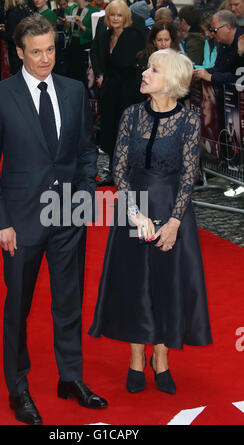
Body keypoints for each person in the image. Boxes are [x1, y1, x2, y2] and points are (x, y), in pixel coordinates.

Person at [0, 14, 107, 425]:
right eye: (36, 52)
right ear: (19, 52)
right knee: (18, 307)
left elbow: (87, 151)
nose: (45, 59)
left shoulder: (72, 91)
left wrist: (84, 197)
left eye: (50, 50)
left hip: (69, 217)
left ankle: (70, 378)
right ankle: (19, 389)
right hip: (20, 223)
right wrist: (1, 221)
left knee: (68, 304)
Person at [89, 48, 213, 395]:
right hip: (134, 207)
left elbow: (189, 176)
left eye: (153, 69)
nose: (144, 72)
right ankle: (135, 360)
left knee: (165, 284)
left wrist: (174, 222)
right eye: (147, 67)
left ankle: (161, 358)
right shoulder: (131, 115)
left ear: (171, 81)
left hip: (173, 210)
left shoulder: (189, 119)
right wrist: (133, 212)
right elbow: (119, 168)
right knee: (134, 285)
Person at [94, 0, 146, 186]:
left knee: (126, 132)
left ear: (126, 18)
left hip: (128, 93)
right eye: (112, 15)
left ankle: (128, 174)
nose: (115, 18)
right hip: (109, 93)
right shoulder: (105, 36)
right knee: (108, 132)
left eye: (119, 15)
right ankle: (113, 171)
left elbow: (127, 64)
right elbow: (99, 57)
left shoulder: (133, 36)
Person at [193, 10, 244, 85]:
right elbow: (219, 69)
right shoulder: (223, 43)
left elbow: (239, 77)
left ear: (227, 27)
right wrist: (201, 72)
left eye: (215, 30)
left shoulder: (242, 40)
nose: (213, 33)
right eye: (211, 30)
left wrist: (211, 77)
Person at [64, 0, 99, 83]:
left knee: (83, 72)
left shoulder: (94, 11)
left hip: (85, 45)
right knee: (72, 71)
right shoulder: (69, 9)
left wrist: (82, 26)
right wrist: (67, 25)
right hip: (72, 43)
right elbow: (66, 30)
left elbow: (95, 34)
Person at [0, 0, 31, 75]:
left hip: (16, 53)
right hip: (25, 48)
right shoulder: (24, 10)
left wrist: (0, 32)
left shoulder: (12, 13)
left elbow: (13, 37)